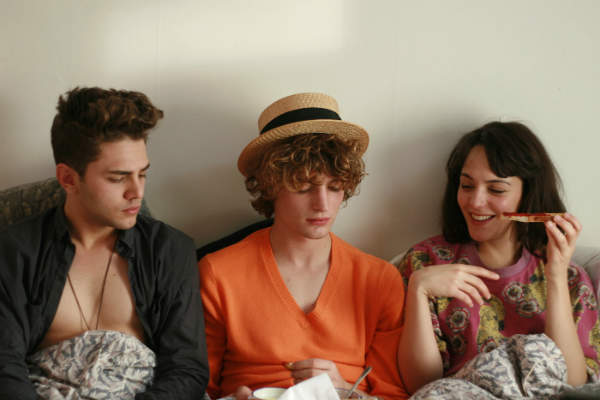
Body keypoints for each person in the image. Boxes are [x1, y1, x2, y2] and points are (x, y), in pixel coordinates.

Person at [0, 87, 209, 399]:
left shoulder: (169, 250)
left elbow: (187, 368)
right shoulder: (15, 251)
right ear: (68, 178)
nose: (137, 192)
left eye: (142, 174)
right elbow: (5, 365)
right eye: (118, 178)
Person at [198, 92, 408, 399]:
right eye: (304, 187)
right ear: (271, 185)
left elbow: (394, 394)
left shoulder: (379, 279)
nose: (322, 204)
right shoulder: (219, 273)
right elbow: (197, 385)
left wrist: (345, 392)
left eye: (334, 187)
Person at [397, 121, 600, 394]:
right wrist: (419, 290)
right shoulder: (425, 262)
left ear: (527, 195)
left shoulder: (571, 278)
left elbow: (573, 385)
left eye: (496, 190)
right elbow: (420, 386)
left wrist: (555, 275)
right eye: (467, 186)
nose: (475, 202)